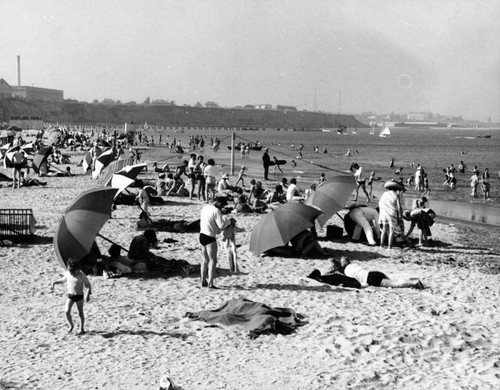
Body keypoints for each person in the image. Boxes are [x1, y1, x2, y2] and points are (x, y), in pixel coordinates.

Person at [51, 258, 92, 334]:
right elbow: (63, 280)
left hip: (79, 295)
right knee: (67, 311)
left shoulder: (81, 275)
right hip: (70, 295)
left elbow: (88, 285)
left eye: (73, 271)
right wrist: (55, 282)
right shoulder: (68, 274)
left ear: (78, 269)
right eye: (70, 271)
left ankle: (81, 328)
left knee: (80, 312)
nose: (72, 273)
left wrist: (88, 294)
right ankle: (71, 325)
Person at [199, 197, 233, 288]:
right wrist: (229, 221)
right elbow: (221, 225)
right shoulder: (216, 211)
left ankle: (203, 280)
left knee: (204, 260)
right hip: (210, 236)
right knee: (213, 260)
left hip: (202, 234)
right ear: (218, 203)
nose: (222, 207)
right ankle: (210, 283)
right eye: (222, 205)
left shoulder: (205, 207)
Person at [340, 257, 424, 289]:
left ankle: (414, 282)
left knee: (395, 284)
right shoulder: (354, 264)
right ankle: (409, 281)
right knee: (393, 281)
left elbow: (354, 282)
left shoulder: (347, 272)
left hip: (371, 279)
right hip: (373, 273)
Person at [378, 181, 405, 249]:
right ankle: (389, 246)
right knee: (391, 230)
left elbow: (380, 203)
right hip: (392, 213)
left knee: (384, 229)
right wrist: (400, 216)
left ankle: (381, 245)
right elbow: (399, 207)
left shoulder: (384, 194)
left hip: (383, 213)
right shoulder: (396, 195)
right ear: (396, 189)